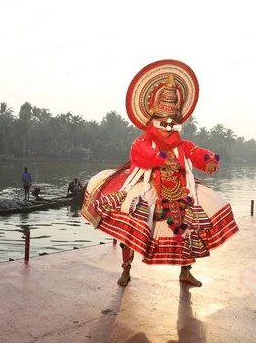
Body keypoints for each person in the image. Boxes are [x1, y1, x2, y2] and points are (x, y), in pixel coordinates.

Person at [81, 59, 239, 287]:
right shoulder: (144, 141)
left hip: (181, 191)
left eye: (171, 122)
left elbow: (197, 152)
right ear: (153, 120)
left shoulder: (181, 144)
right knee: (132, 227)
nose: (167, 126)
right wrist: (160, 159)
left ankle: (186, 272)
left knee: (190, 229)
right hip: (147, 187)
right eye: (162, 121)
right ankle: (126, 269)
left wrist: (210, 160)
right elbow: (141, 154)